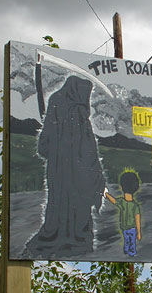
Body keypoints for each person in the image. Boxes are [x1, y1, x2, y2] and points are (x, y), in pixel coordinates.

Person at [25, 75, 105, 258]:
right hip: (77, 171)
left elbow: (44, 145)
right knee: (77, 203)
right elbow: (88, 147)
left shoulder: (57, 103)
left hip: (59, 169)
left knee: (60, 202)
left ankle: (62, 237)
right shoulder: (79, 113)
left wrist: (54, 151)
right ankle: (77, 240)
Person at [104, 170, 142, 257]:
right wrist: (139, 232)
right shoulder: (133, 205)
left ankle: (131, 252)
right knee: (127, 240)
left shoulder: (125, 203)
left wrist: (106, 194)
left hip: (128, 227)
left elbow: (113, 200)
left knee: (130, 240)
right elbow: (137, 218)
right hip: (129, 228)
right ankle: (127, 250)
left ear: (121, 187)